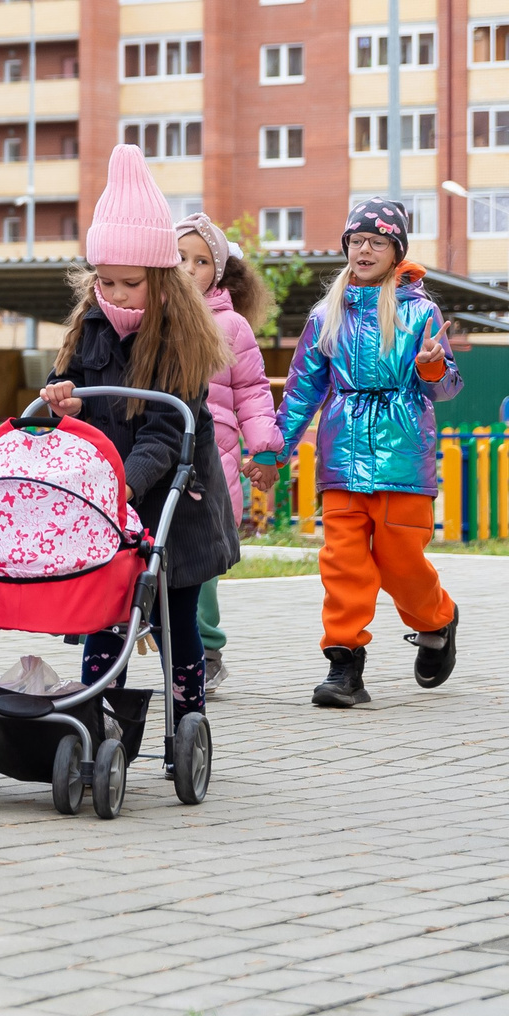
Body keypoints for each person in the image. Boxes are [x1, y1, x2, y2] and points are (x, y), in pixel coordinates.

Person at [38, 145, 235, 729]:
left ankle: (185, 721)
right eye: (106, 282)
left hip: (174, 506)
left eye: (129, 283)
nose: (116, 294)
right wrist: (60, 403)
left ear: (161, 282)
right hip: (108, 508)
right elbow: (60, 393)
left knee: (175, 617)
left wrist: (117, 484)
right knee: (106, 615)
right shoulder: (89, 325)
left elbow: (166, 434)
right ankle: (97, 717)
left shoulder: (180, 341)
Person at [266, 199, 464, 709]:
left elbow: (446, 390)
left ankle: (437, 620)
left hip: (404, 456)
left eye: (376, 242)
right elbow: (302, 391)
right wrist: (273, 452)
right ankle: (343, 665)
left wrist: (432, 367)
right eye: (356, 241)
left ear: (396, 251)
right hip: (340, 457)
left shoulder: (420, 312)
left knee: (400, 564)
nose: (364, 250)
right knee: (343, 564)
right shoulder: (325, 314)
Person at [174, 213, 282, 695]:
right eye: (179, 258)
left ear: (217, 273)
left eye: (200, 261)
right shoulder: (148, 316)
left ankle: (209, 649)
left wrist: (264, 451)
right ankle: (175, 644)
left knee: (201, 562)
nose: (188, 268)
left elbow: (254, 392)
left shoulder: (231, 325)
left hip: (212, 462)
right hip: (157, 457)